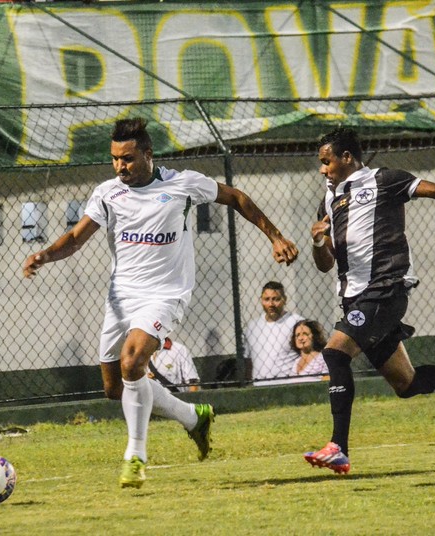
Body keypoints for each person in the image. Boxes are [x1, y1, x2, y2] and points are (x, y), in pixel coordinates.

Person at [23, 118, 298, 489]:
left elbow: (236, 197)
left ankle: (135, 456)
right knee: (115, 388)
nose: (121, 166)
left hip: (165, 294)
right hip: (121, 298)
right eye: (115, 159)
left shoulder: (183, 184)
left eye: (129, 158)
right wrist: (44, 255)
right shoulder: (108, 193)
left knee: (133, 361)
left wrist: (275, 237)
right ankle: (192, 416)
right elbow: (75, 238)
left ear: (149, 154)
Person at [303, 127, 435, 475]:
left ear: (346, 157)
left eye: (327, 161)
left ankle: (339, 448)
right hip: (353, 299)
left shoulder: (384, 180)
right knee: (407, 384)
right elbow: (325, 265)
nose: (323, 170)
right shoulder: (329, 201)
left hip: (386, 289)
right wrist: (319, 242)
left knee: (334, 353)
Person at [243, 281, 303, 386]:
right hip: (258, 387)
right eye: (267, 299)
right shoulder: (252, 327)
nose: (271, 304)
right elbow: (248, 361)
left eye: (276, 299)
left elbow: (309, 354)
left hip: (288, 386)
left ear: (285, 300)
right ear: (261, 300)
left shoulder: (297, 323)